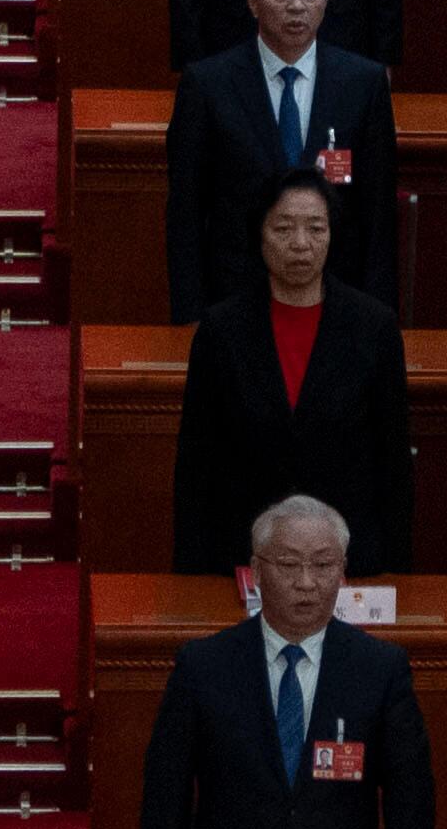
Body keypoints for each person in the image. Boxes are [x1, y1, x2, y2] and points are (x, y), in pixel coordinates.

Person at [144, 494, 432, 829]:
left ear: (342, 571)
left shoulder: (380, 670)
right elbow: (164, 808)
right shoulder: (203, 667)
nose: (307, 583)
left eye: (323, 566)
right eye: (289, 564)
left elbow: (411, 811)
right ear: (256, 572)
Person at [173, 186, 415, 582]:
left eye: (316, 229)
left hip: (349, 558)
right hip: (242, 555)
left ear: (332, 235)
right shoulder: (221, 329)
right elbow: (196, 463)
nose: (300, 244)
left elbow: (392, 462)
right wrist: (191, 572)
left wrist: (396, 570)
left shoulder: (374, 327)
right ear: (259, 235)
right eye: (283, 229)